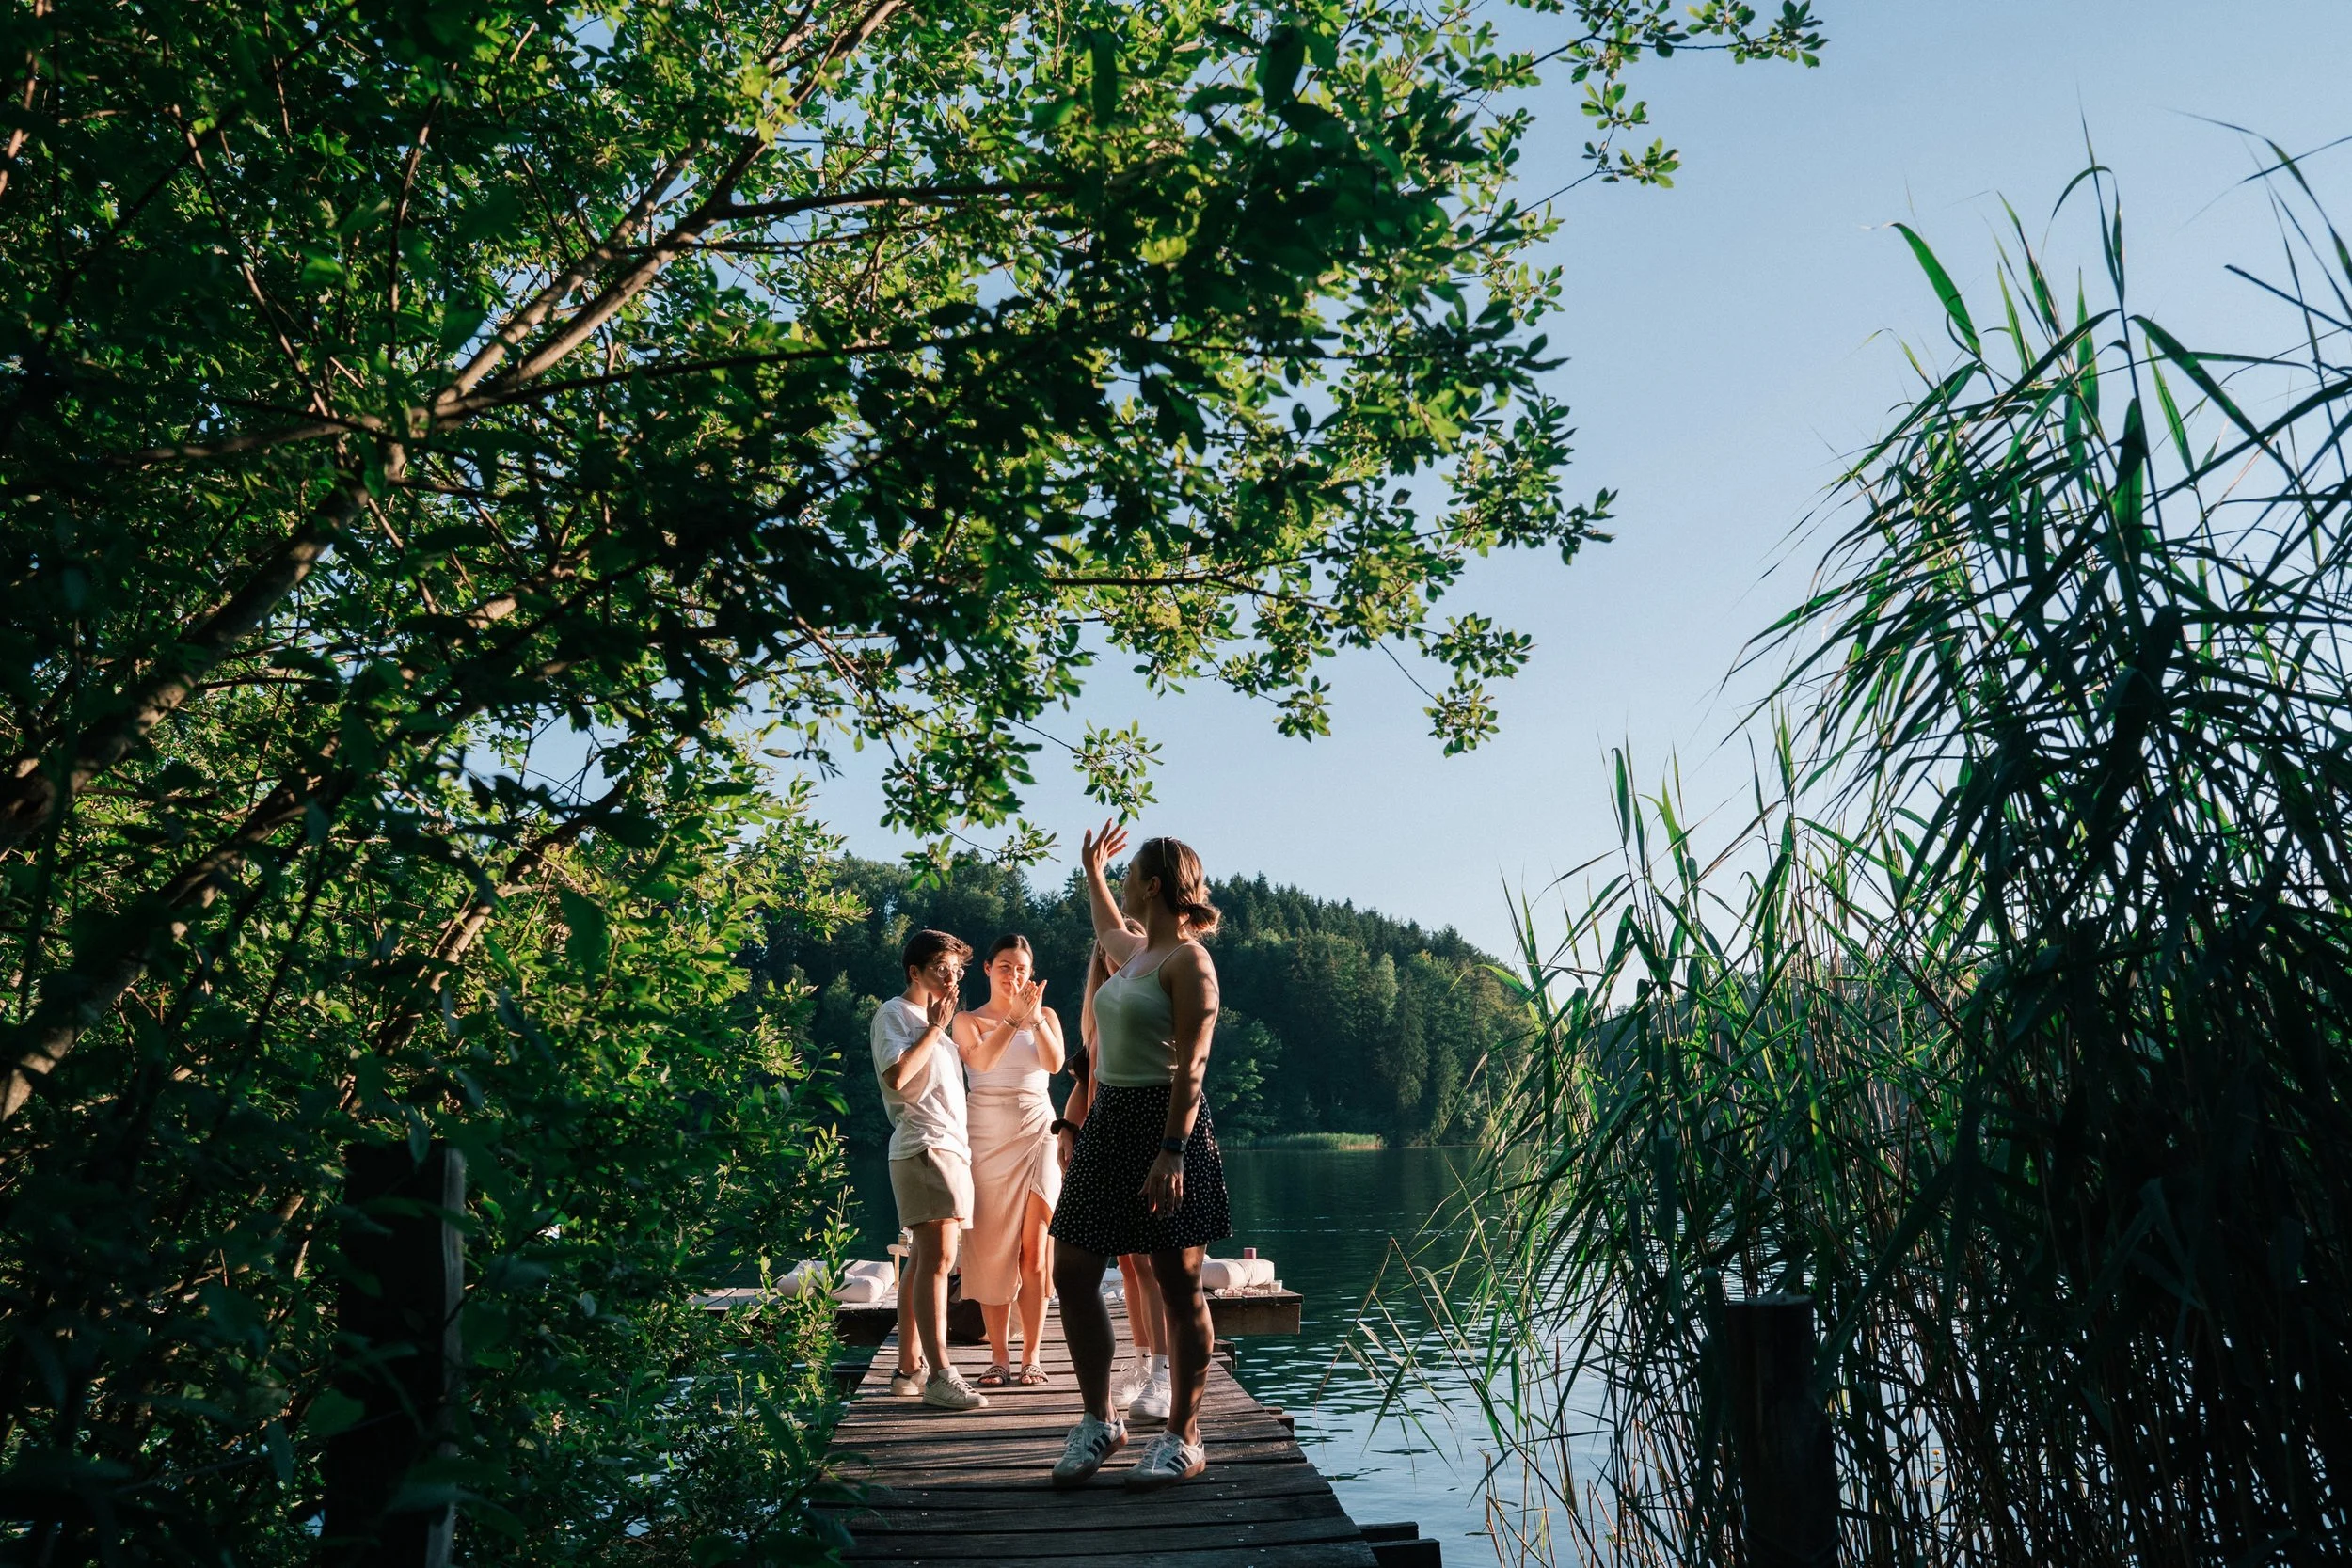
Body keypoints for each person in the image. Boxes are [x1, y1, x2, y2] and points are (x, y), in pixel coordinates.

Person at [1048, 824, 1230, 1490]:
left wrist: (1173, 1149)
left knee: (1178, 1283)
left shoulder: (1189, 962)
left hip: (1165, 1125)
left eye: (1128, 874)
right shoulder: (1133, 955)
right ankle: (1100, 1419)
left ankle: (1184, 1432)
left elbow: (1193, 1069)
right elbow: (1105, 924)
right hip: (1108, 1120)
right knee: (1071, 1266)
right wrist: (1092, 869)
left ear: (1152, 885)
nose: (1121, 884)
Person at [871, 928, 989, 1412]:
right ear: (914, 971)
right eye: (941, 967)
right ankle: (941, 1374)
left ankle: (908, 1370)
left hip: (951, 1150)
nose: (952, 977)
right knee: (938, 1261)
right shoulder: (894, 1014)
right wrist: (935, 1029)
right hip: (923, 1147)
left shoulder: (938, 1023)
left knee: (923, 1261)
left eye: (956, 970)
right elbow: (897, 1080)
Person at [1066, 939, 1172, 1418]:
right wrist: (1068, 1131)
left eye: (1128, 949)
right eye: (1109, 952)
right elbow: (1085, 1087)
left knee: (1153, 1266)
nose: (1118, 958)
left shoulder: (1153, 1003)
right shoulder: (1100, 1015)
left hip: (1151, 1140)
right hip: (1105, 1145)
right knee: (1129, 1265)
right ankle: (1143, 1362)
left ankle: (1165, 1376)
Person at [953, 934, 1065, 1386]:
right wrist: (1012, 1021)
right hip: (986, 1140)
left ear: (1030, 972)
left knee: (1033, 1251)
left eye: (1021, 968)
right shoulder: (967, 1020)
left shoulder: (1047, 1016)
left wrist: (1033, 1021)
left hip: (1039, 1132)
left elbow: (1056, 1065)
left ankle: (1031, 1357)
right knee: (994, 1249)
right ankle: (999, 1357)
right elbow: (979, 1064)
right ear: (987, 968)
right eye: (1004, 966)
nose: (1013, 975)